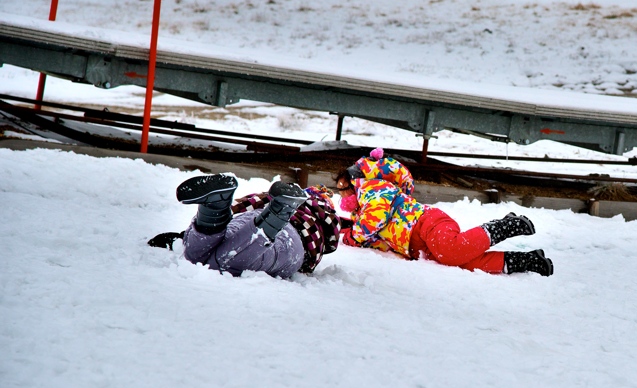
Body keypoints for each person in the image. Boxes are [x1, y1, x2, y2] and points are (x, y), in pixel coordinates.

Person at [335, 151, 554, 276]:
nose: (341, 194)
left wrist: (353, 235)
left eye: (343, 187)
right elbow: (376, 239)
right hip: (419, 244)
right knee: (465, 262)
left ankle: (506, 226)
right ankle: (525, 261)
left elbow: (375, 219)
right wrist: (348, 231)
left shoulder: (375, 189)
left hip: (427, 224)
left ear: (356, 181)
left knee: (452, 250)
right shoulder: (360, 214)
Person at [151, 173, 343, 278]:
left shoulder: (265, 196)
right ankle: (278, 214)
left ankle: (213, 208)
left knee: (195, 257)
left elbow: (240, 206)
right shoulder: (325, 216)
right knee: (225, 263)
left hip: (250, 218)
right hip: (291, 241)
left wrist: (184, 235)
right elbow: (330, 245)